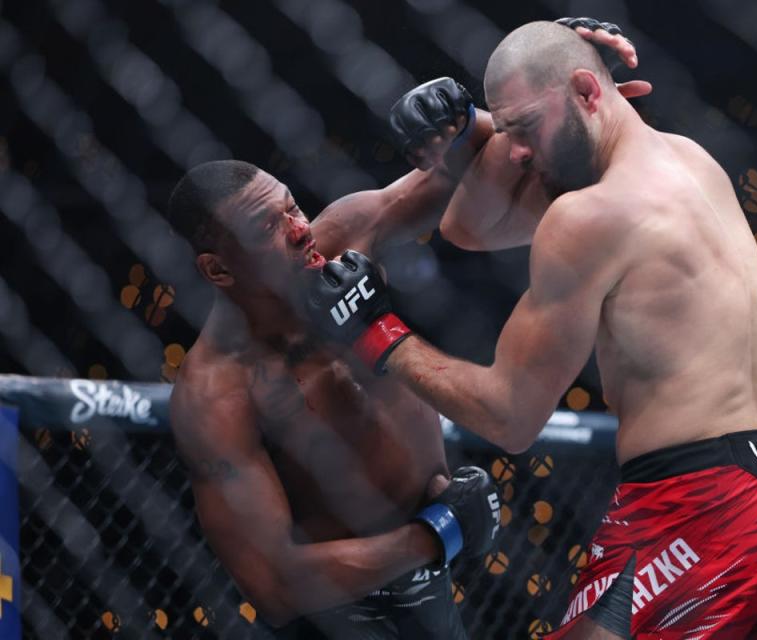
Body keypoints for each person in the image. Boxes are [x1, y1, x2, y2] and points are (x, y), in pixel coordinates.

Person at [304, 20, 757, 639]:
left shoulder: (587, 217)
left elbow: (509, 417)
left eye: (523, 128)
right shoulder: (692, 160)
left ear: (587, 92)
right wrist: (471, 134)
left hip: (699, 501)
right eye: (506, 130)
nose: (514, 150)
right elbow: (470, 227)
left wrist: (374, 330)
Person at [165, 19, 638, 640]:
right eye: (270, 229)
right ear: (218, 270)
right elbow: (275, 583)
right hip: (340, 617)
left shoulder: (343, 236)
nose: (301, 230)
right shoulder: (216, 391)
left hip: (433, 585)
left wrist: (543, 96)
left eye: (293, 208)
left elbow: (458, 172)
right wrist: (435, 534)